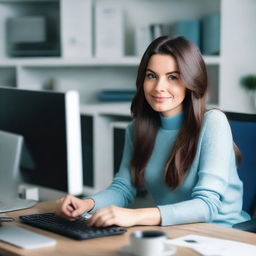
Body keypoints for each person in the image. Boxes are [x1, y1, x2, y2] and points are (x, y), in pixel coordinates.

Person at [56, 36, 250, 227]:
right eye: (152, 76)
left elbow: (207, 206)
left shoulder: (213, 122)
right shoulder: (137, 129)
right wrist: (87, 204)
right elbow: (123, 188)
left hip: (222, 234)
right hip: (175, 232)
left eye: (173, 77)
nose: (159, 87)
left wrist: (135, 216)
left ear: (191, 81)